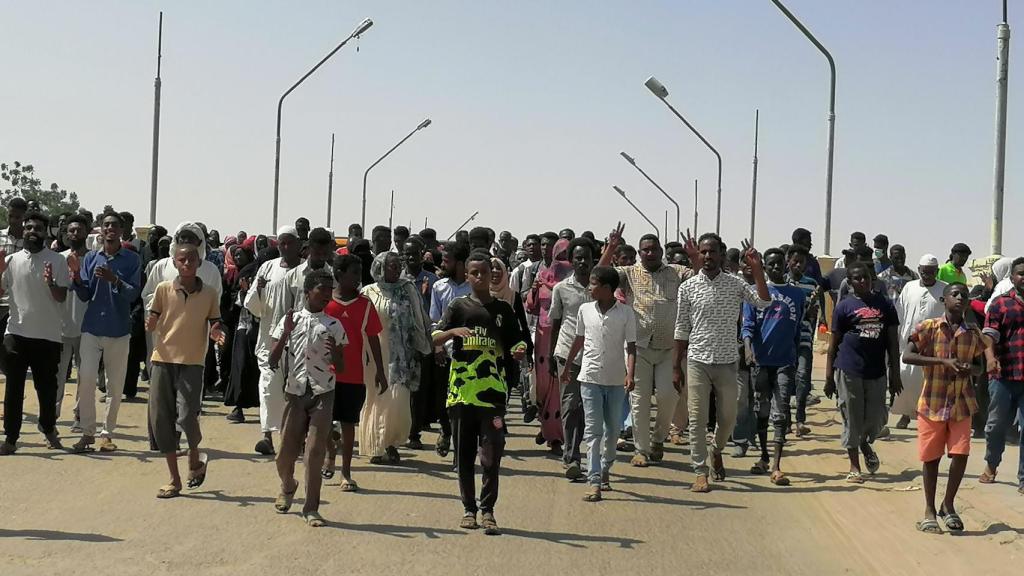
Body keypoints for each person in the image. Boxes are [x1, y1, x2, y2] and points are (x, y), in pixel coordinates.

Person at [433, 249, 527, 535]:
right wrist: (453, 332)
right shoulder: (458, 306)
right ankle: (468, 509)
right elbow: (434, 336)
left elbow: (517, 342)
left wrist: (519, 351)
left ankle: (488, 511)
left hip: (494, 396)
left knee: (491, 454)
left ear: (491, 275)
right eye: (473, 273)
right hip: (461, 393)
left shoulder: (503, 310)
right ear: (467, 275)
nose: (479, 277)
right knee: (464, 456)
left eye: (484, 273)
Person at [673, 233, 769, 492]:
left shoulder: (735, 284)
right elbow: (681, 328)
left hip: (727, 361)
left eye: (712, 252)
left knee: (727, 419)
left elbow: (762, 302)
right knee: (697, 418)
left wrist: (758, 270)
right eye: (703, 252)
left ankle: (717, 450)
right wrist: (675, 366)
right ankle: (700, 472)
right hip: (697, 361)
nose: (707, 256)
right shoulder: (688, 287)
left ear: (722, 255)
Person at [599, 224, 695, 468]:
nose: (650, 253)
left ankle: (659, 438)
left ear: (661, 251)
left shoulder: (676, 272)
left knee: (668, 396)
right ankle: (641, 450)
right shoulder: (628, 273)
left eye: (654, 249)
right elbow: (599, 274)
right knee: (639, 401)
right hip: (638, 346)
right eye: (645, 250)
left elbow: (701, 277)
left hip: (669, 348)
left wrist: (694, 255)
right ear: (639, 253)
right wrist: (610, 249)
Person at [902, 282, 990, 534]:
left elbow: (979, 367)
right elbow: (908, 356)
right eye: (955, 294)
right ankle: (929, 510)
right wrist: (941, 361)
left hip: (962, 402)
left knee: (960, 455)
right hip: (933, 401)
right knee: (931, 459)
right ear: (944, 300)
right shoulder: (929, 328)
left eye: (964, 294)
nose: (960, 298)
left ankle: (948, 504)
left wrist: (967, 369)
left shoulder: (972, 334)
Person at [145, 243, 224, 497]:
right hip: (163, 359)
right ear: (175, 262)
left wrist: (217, 333)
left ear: (199, 262)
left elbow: (214, 322)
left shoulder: (210, 293)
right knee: (161, 419)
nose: (187, 264)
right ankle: (174, 479)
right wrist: (150, 323)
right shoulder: (163, 289)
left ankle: (194, 459)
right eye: (182, 260)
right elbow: (153, 319)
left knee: (188, 416)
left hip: (192, 363)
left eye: (191, 259)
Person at [268, 270, 346, 527]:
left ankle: (311, 508)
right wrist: (285, 333)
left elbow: (341, 367)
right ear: (307, 292)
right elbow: (272, 359)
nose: (326, 295)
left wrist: (336, 353)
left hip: (323, 393)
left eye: (329, 290)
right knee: (285, 455)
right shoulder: (291, 320)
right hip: (295, 393)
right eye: (321, 289)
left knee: (314, 452)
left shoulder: (333, 325)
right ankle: (288, 485)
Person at [67, 212, 142, 453]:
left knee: (114, 386)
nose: (109, 228)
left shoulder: (132, 260)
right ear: (100, 230)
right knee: (86, 379)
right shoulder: (90, 257)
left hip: (119, 329)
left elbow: (133, 295)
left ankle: (107, 433)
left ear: (121, 231)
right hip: (91, 328)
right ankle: (87, 433)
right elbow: (86, 294)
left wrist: (114, 280)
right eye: (106, 225)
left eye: (114, 225)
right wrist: (77, 277)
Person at [562, 266, 636, 502]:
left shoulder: (626, 313)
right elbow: (579, 339)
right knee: (593, 431)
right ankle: (594, 480)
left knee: (612, 430)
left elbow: (631, 347)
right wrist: (567, 366)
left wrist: (630, 374)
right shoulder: (585, 310)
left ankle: (606, 466)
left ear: (606, 289)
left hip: (615, 381)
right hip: (589, 378)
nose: (589, 288)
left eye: (593, 284)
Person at [824, 262, 902, 484]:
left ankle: (865, 442)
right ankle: (854, 466)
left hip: (876, 370)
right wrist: (829, 378)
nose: (862, 281)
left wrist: (895, 374)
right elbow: (833, 344)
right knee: (851, 417)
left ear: (872, 278)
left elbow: (893, 344)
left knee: (877, 418)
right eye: (857, 278)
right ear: (850, 282)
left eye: (866, 277)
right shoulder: (844, 307)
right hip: (849, 369)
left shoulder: (885, 305)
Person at [0, 211, 69, 455]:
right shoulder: (11, 260)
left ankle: (48, 428)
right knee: (14, 388)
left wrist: (51, 283)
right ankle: (10, 438)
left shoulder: (58, 261)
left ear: (45, 231)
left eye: (37, 228)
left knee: (47, 389)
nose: (32, 232)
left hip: (48, 336)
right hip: (16, 333)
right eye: (28, 227)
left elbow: (62, 296)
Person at [361, 252, 432, 464]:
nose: (395, 269)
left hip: (402, 356)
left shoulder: (407, 288)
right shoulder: (367, 293)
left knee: (398, 400)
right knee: (376, 398)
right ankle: (376, 446)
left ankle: (391, 443)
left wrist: (424, 345)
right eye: (390, 266)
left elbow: (420, 318)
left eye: (396, 265)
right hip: (374, 355)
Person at [742, 248, 805, 486]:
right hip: (760, 362)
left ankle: (777, 466)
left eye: (780, 264)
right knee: (762, 412)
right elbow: (747, 326)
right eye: (771, 265)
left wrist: (795, 354)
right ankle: (764, 456)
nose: (776, 268)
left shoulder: (797, 295)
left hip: (785, 362)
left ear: (786, 265)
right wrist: (748, 348)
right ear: (764, 268)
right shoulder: (753, 293)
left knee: (780, 414)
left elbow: (797, 327)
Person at [323, 254, 387, 488]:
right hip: (325, 373)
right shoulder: (325, 302)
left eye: (360, 273)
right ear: (339, 275)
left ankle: (346, 473)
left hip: (354, 375)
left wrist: (380, 371)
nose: (358, 278)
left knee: (349, 423)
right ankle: (330, 452)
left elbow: (373, 338)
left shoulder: (365, 305)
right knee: (323, 422)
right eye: (353, 273)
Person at [244, 226, 303, 455]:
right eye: (282, 243)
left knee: (295, 389)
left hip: (299, 341)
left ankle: (296, 437)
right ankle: (267, 436)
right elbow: (253, 305)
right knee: (268, 386)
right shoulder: (267, 268)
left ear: (299, 245)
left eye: (290, 243)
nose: (286, 247)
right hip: (269, 339)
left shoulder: (307, 271)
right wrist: (258, 291)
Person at [548, 237, 595, 479]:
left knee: (589, 408)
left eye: (586, 257)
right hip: (567, 354)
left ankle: (591, 458)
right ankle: (572, 458)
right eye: (578, 258)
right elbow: (555, 323)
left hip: (596, 355)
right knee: (571, 405)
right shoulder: (561, 288)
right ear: (571, 261)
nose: (582, 262)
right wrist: (550, 355)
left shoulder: (601, 288)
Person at [980, 257, 1024, 495]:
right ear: (1012, 277)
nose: (1023, 277)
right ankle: (991, 463)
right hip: (1003, 375)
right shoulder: (1000, 303)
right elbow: (988, 335)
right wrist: (989, 358)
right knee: (995, 425)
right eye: (1020, 273)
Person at [526, 235, 573, 453]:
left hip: (564, 337)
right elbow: (532, 307)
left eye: (567, 255)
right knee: (543, 387)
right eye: (560, 255)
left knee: (559, 387)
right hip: (543, 337)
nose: (563, 259)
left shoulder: (575, 281)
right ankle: (545, 427)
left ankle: (556, 437)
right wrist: (535, 289)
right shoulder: (543, 275)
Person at [890, 255, 947, 430]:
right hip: (909, 342)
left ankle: (925, 417)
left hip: (934, 344)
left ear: (936, 271)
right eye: (924, 272)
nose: (927, 275)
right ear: (919, 270)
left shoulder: (944, 289)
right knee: (907, 379)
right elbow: (900, 312)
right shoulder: (909, 287)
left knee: (929, 382)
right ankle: (906, 415)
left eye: (931, 272)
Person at [429, 241, 472, 456]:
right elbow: (434, 321)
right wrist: (437, 347)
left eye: (447, 260)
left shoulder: (473, 288)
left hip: (469, 353)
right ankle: (445, 432)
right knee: (442, 397)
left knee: (464, 400)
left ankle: (462, 445)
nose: (443, 264)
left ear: (460, 264)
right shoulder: (439, 287)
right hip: (444, 350)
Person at [223, 246, 271, 422]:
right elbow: (239, 301)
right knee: (242, 366)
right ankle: (239, 407)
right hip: (246, 326)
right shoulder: (248, 272)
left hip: (268, 327)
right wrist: (246, 292)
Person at [57, 214, 90, 425]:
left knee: (85, 376)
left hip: (87, 327)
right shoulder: (58, 258)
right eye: (71, 230)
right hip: (59, 326)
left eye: (78, 230)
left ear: (86, 232)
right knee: (57, 376)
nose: (74, 234)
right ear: (65, 234)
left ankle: (80, 415)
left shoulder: (94, 258)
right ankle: (53, 416)